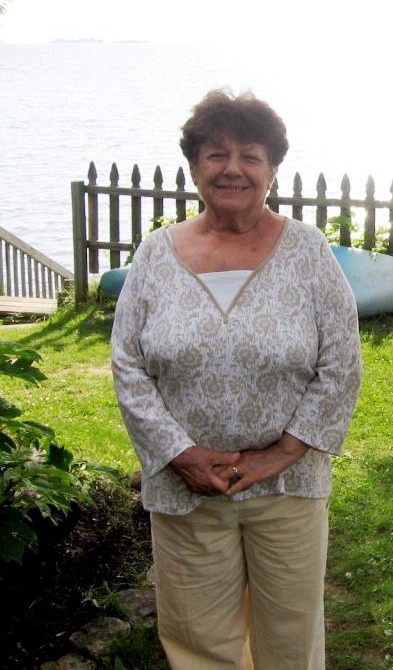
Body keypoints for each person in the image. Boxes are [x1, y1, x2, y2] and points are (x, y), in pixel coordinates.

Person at [111, 90, 362, 670]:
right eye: (216, 154)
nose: (233, 169)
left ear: (272, 170)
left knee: (290, 640)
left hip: (288, 488)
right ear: (194, 166)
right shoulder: (155, 255)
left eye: (250, 155)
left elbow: (341, 363)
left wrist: (281, 454)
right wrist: (181, 455)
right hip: (186, 489)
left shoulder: (307, 251)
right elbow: (128, 364)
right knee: (199, 641)